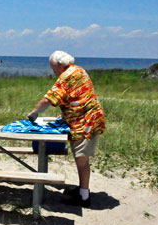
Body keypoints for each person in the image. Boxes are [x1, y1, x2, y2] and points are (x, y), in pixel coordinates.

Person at [26, 50, 105, 208]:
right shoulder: (79, 70)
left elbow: (49, 99)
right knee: (81, 159)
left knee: (81, 159)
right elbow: (76, 97)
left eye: (53, 68)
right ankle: (82, 190)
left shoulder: (66, 76)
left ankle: (84, 197)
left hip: (85, 123)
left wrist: (34, 112)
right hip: (89, 118)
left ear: (60, 65)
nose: (53, 72)